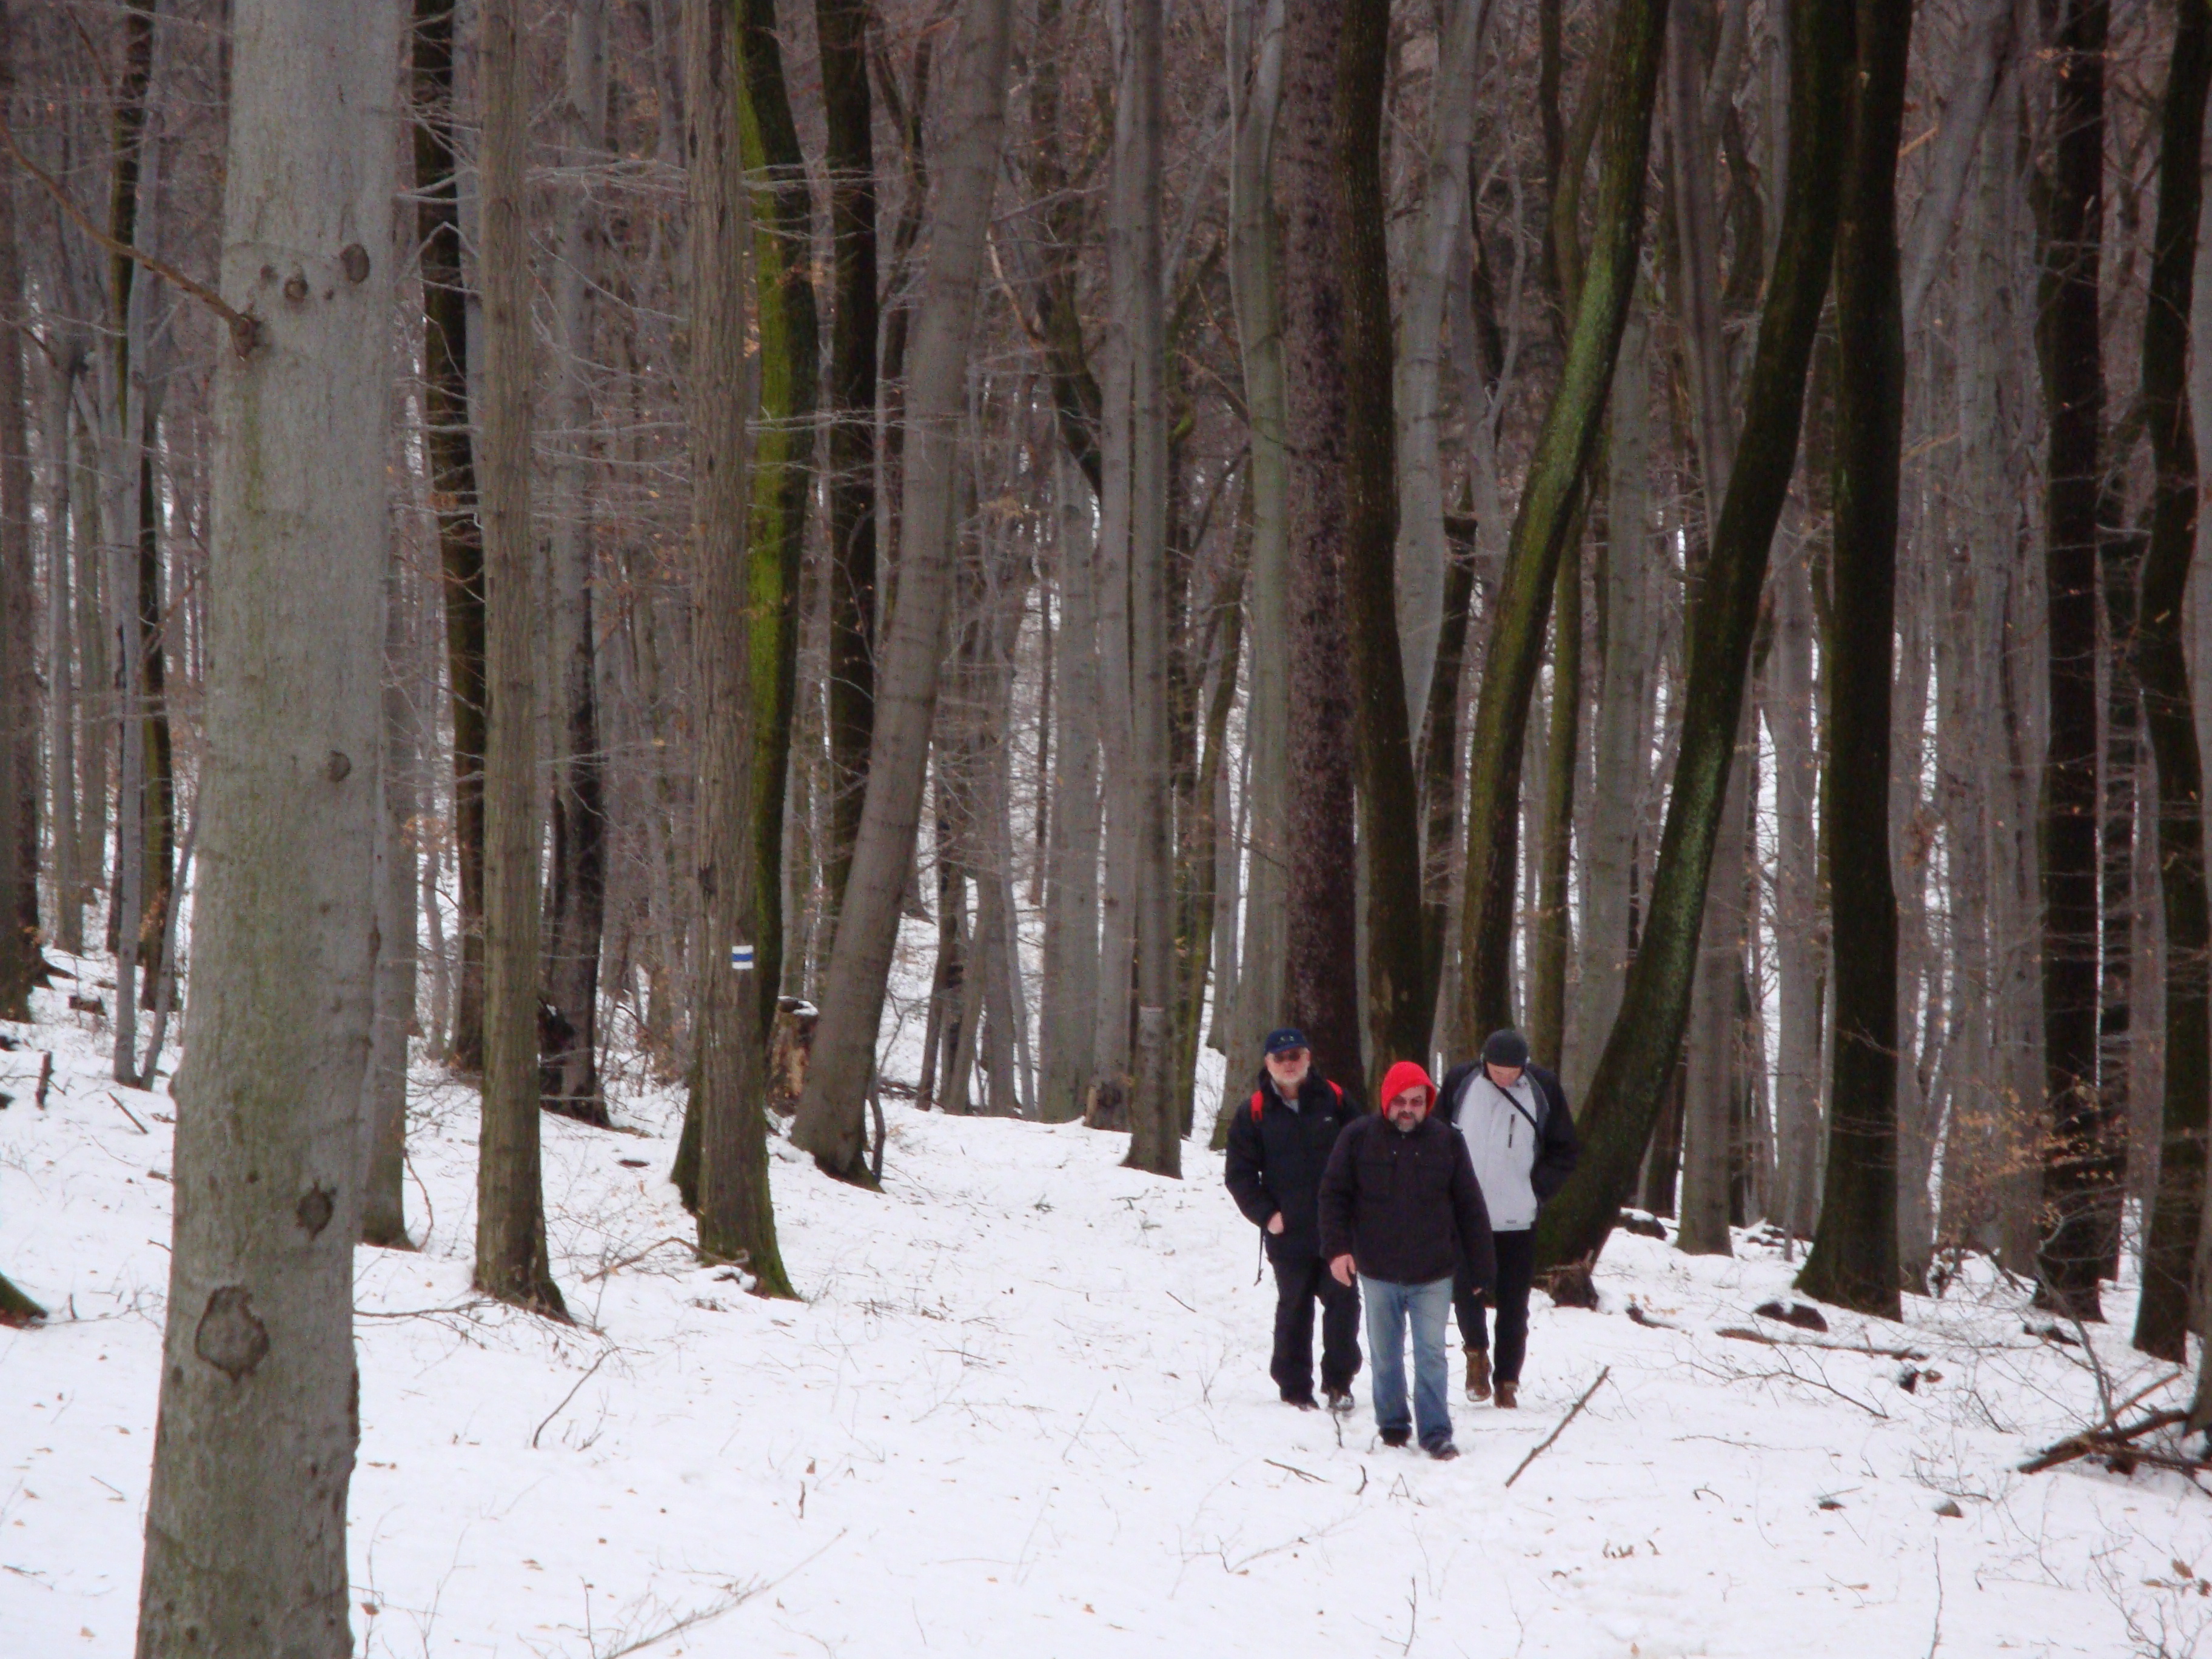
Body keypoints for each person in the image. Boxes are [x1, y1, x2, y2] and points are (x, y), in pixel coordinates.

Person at [1318, 1059, 1496, 1460]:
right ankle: (1394, 1426)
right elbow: (1333, 1196)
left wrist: (1482, 1267)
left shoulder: (1447, 1141)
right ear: (1386, 1100)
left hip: (1433, 1271)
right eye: (1400, 1101)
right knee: (1385, 1355)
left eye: (1416, 1102)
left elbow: (1470, 1206)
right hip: (1377, 1269)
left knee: (1431, 1355)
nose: (1407, 1110)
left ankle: (1436, 1432)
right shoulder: (1357, 1138)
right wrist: (1337, 1249)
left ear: (1427, 1103)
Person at [1437, 1028, 1580, 1409]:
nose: (1503, 1078)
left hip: (1518, 1218)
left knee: (1514, 1303)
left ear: (1524, 1066)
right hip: (1466, 1216)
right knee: (1465, 1292)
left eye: (1511, 1072)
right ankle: (1476, 1354)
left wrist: (1536, 1190)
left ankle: (1507, 1382)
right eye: (1497, 1071)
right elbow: (1437, 1136)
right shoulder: (1460, 1082)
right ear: (1484, 1062)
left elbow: (1566, 1150)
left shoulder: (1543, 1088)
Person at [1224, 1028, 1362, 1412]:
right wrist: (1268, 1216)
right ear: (1268, 1064)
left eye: (1295, 1056)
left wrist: (1358, 1211)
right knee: (1294, 1309)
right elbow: (1239, 1175)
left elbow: (1365, 1154)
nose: (1289, 1064)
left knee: (1344, 1306)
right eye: (1280, 1058)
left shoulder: (1336, 1100)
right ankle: (1295, 1388)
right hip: (1288, 1233)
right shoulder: (1254, 1112)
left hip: (1337, 1231)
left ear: (1308, 1058)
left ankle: (1339, 1383)